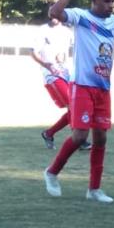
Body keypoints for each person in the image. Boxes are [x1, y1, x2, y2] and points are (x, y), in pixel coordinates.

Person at [43, 0, 114, 203]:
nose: (111, 5)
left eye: (113, 2)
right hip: (82, 86)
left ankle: (94, 189)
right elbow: (55, 12)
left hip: (103, 89)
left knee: (100, 139)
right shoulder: (82, 17)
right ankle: (51, 172)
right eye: (107, 1)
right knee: (80, 136)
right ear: (95, 0)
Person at [31, 16, 91, 151]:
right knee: (74, 106)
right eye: (52, 11)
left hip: (67, 74)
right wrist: (47, 65)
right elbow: (33, 52)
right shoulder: (42, 30)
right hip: (51, 75)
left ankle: (49, 133)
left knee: (73, 107)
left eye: (57, 12)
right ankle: (80, 140)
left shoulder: (67, 32)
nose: (54, 15)